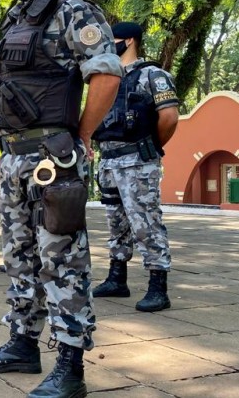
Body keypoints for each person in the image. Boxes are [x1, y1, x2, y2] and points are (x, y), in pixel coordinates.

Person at [0, 0, 122, 397]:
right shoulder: (16, 18)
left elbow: (107, 75)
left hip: (52, 158)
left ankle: (71, 366)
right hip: (15, 157)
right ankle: (22, 343)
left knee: (63, 260)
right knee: (19, 257)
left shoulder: (72, 9)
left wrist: (83, 135)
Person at [91, 21, 179, 312]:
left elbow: (169, 118)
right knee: (115, 222)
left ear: (128, 40)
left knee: (145, 222)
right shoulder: (105, 78)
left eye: (111, 39)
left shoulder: (153, 75)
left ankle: (158, 285)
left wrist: (149, 148)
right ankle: (117, 277)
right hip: (109, 160)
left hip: (138, 162)